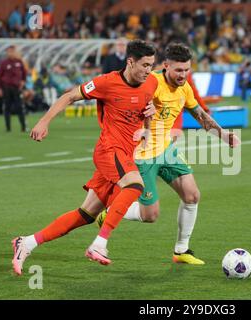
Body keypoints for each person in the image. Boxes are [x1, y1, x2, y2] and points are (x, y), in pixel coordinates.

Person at [11, 40, 158, 275]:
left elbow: (147, 107)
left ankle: (27, 242)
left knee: (86, 214)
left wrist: (148, 126)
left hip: (124, 153)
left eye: (152, 65)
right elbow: (69, 96)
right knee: (135, 185)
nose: (149, 70)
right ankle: (99, 244)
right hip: (109, 150)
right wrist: (44, 121)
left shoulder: (151, 82)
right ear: (130, 62)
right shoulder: (106, 82)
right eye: (145, 65)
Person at [97, 43, 241, 265]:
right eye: (178, 70)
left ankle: (181, 250)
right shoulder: (150, 83)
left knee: (192, 195)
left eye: (187, 70)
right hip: (142, 156)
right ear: (165, 66)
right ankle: (113, 209)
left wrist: (223, 136)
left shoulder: (184, 88)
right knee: (150, 216)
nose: (183, 75)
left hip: (165, 149)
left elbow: (200, 115)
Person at [0, 45, 27, 132]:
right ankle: (8, 128)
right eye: (9, 51)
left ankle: (23, 127)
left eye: (12, 51)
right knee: (7, 108)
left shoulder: (19, 62)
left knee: (20, 107)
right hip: (7, 88)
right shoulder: (4, 63)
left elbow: (24, 73)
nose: (11, 53)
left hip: (16, 88)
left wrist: (23, 81)